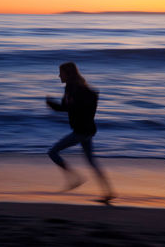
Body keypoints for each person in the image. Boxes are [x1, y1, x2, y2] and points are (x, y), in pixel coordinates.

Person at [46, 62, 115, 204]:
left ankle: (75, 178)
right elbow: (68, 107)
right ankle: (108, 193)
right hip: (87, 130)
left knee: (53, 152)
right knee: (91, 162)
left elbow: (77, 106)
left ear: (68, 73)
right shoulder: (73, 88)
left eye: (61, 73)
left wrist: (54, 105)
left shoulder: (75, 88)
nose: (59, 75)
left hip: (81, 131)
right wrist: (52, 105)